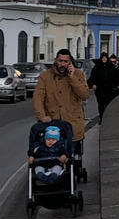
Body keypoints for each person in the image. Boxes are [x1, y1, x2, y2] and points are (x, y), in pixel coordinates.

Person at [33, 49, 91, 179]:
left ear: (70, 62)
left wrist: (72, 78)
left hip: (72, 122)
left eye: (65, 61)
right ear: (55, 60)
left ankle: (66, 174)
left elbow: (84, 95)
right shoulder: (45, 77)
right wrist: (42, 116)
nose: (62, 64)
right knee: (50, 151)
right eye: (60, 61)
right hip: (51, 123)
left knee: (70, 151)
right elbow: (38, 98)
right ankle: (51, 172)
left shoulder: (78, 75)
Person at [88, 52, 119, 124]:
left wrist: (116, 86)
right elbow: (93, 77)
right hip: (100, 89)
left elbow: (115, 77)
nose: (104, 59)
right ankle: (101, 118)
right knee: (101, 104)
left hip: (109, 89)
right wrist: (93, 84)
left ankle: (107, 118)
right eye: (103, 58)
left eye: (105, 58)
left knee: (108, 104)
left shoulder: (111, 67)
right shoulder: (97, 67)